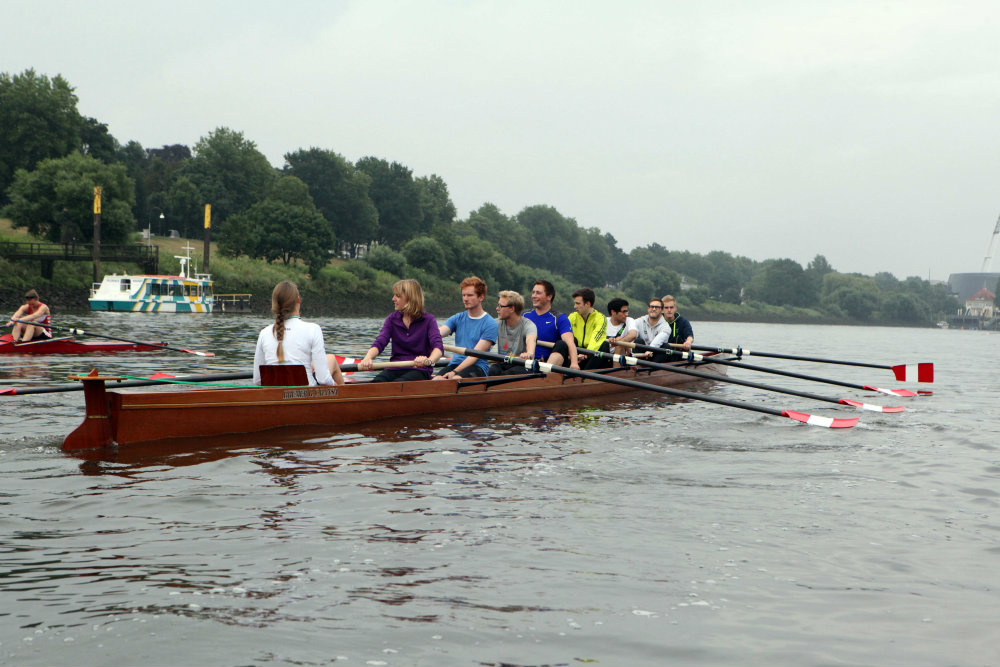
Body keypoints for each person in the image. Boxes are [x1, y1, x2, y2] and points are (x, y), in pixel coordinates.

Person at [253, 281, 344, 386]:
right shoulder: (313, 329)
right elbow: (323, 379)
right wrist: (335, 385)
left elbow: (257, 381)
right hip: (306, 392)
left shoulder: (264, 333)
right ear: (298, 300)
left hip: (274, 393)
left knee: (329, 359)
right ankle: (346, 394)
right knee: (332, 359)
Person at [358, 279, 444, 382]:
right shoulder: (392, 319)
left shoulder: (429, 320)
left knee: (397, 385)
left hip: (419, 370)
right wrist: (368, 358)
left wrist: (428, 361)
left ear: (410, 298)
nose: (393, 299)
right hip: (395, 368)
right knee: (376, 384)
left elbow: (438, 348)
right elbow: (380, 341)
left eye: (397, 296)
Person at [434, 276, 498, 380]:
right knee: (436, 380)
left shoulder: (490, 324)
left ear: (481, 297)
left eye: (470, 295)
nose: (465, 299)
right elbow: (439, 333)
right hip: (455, 364)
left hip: (477, 367)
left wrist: (455, 372)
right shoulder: (458, 318)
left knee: (455, 379)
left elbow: (474, 356)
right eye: (463, 295)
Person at [523, 279, 580, 369]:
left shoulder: (559, 318)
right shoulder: (524, 315)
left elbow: (569, 342)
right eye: (533, 292)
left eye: (538, 293)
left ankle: (545, 372)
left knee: (562, 344)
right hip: (523, 361)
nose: (534, 296)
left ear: (549, 296)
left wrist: (574, 363)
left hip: (547, 363)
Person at [488, 290, 537, 376]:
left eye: (500, 306)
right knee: (493, 370)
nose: (497, 308)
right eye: (498, 305)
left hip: (522, 364)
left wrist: (529, 353)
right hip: (503, 363)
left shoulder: (528, 325)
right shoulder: (496, 323)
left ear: (512, 309)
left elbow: (531, 340)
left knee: (508, 374)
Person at [568, 287, 611, 369]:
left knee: (604, 345)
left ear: (588, 303)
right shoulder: (572, 317)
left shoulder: (600, 318)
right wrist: (573, 355)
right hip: (577, 353)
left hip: (593, 354)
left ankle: (584, 374)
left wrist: (586, 353)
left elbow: (596, 338)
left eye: (578, 303)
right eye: (575, 303)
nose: (575, 306)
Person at [633, 298, 672, 363]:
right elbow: (631, 331)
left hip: (656, 355)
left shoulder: (666, 327)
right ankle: (639, 365)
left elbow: (659, 340)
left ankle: (654, 368)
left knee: (666, 346)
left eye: (656, 307)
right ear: (648, 308)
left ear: (662, 310)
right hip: (642, 355)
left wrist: (650, 350)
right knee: (638, 341)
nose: (653, 309)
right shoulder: (639, 321)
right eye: (651, 307)